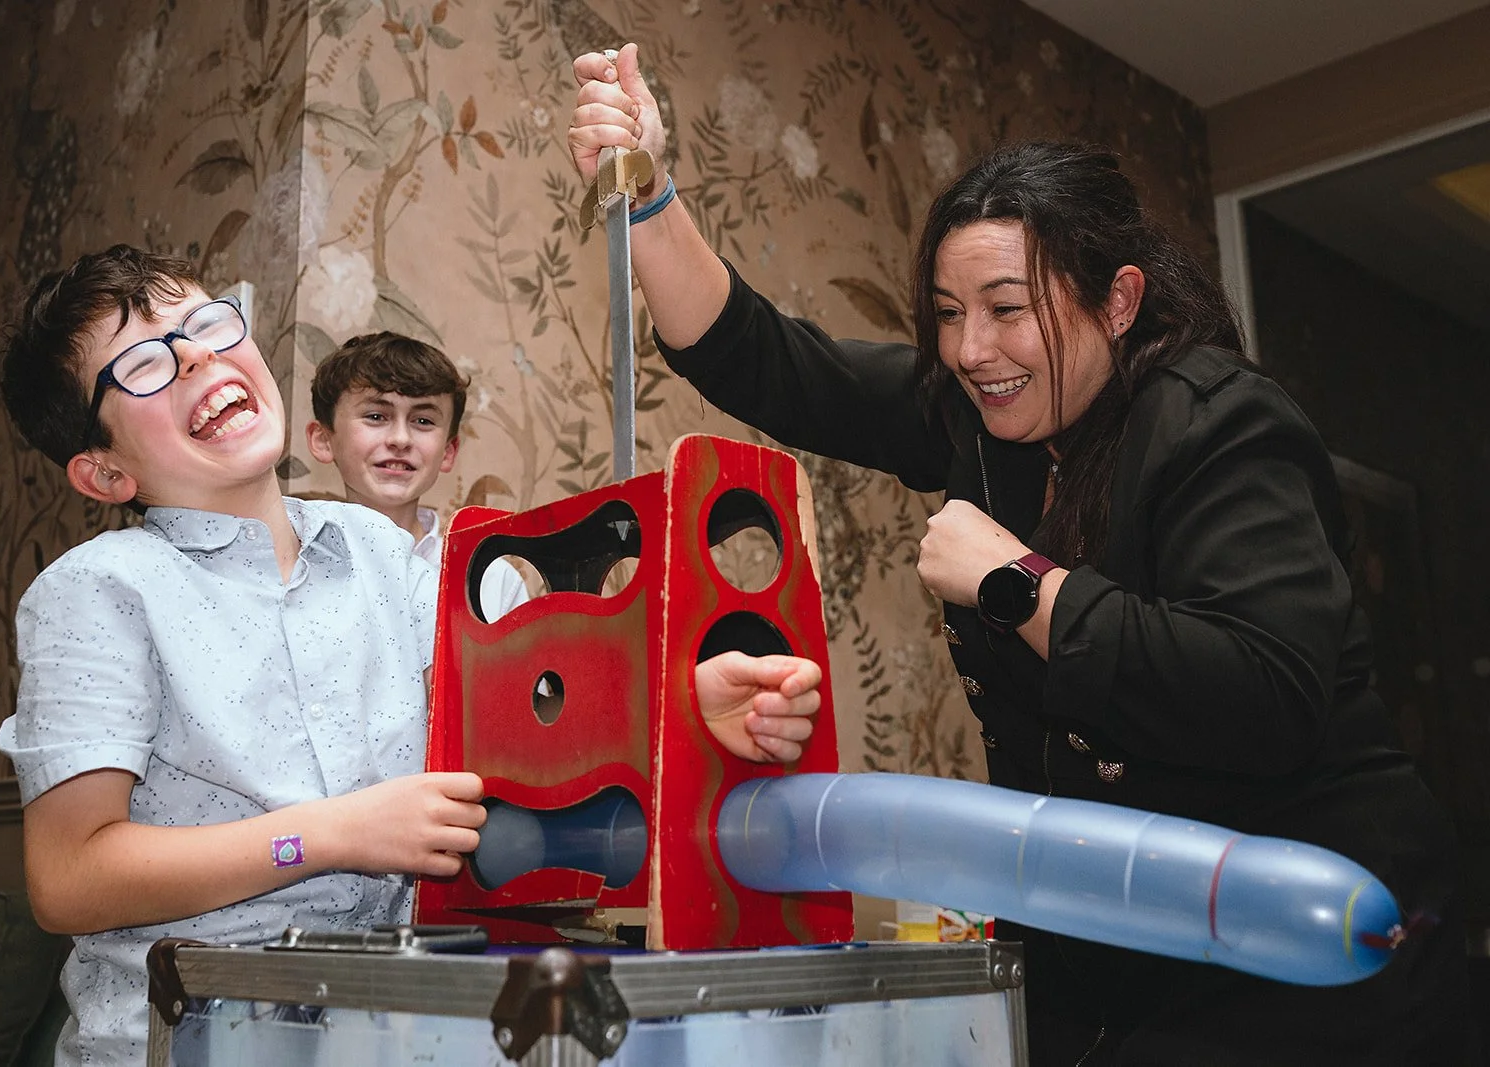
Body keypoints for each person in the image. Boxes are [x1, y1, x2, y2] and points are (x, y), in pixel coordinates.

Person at [568, 45, 1473, 1065]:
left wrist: (1016, 583)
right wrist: (644, 188)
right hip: (1109, 933)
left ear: (1117, 301)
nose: (970, 350)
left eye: (1007, 309)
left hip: (1310, 943)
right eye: (951, 315)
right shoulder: (967, 417)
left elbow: (1264, 695)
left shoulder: (1219, 425)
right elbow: (767, 360)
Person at [0, 244, 825, 1064]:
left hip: (390, 1026)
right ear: (102, 472)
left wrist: (684, 706)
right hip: (186, 1035)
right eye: (142, 363)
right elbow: (69, 875)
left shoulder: (385, 556)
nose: (196, 357)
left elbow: (531, 730)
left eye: (205, 323)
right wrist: (328, 834)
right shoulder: (99, 590)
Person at [305, 331, 530, 623]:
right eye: (376, 416)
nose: (400, 439)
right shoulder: (292, 563)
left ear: (448, 452)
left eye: (423, 421)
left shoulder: (492, 583)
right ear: (324, 440)